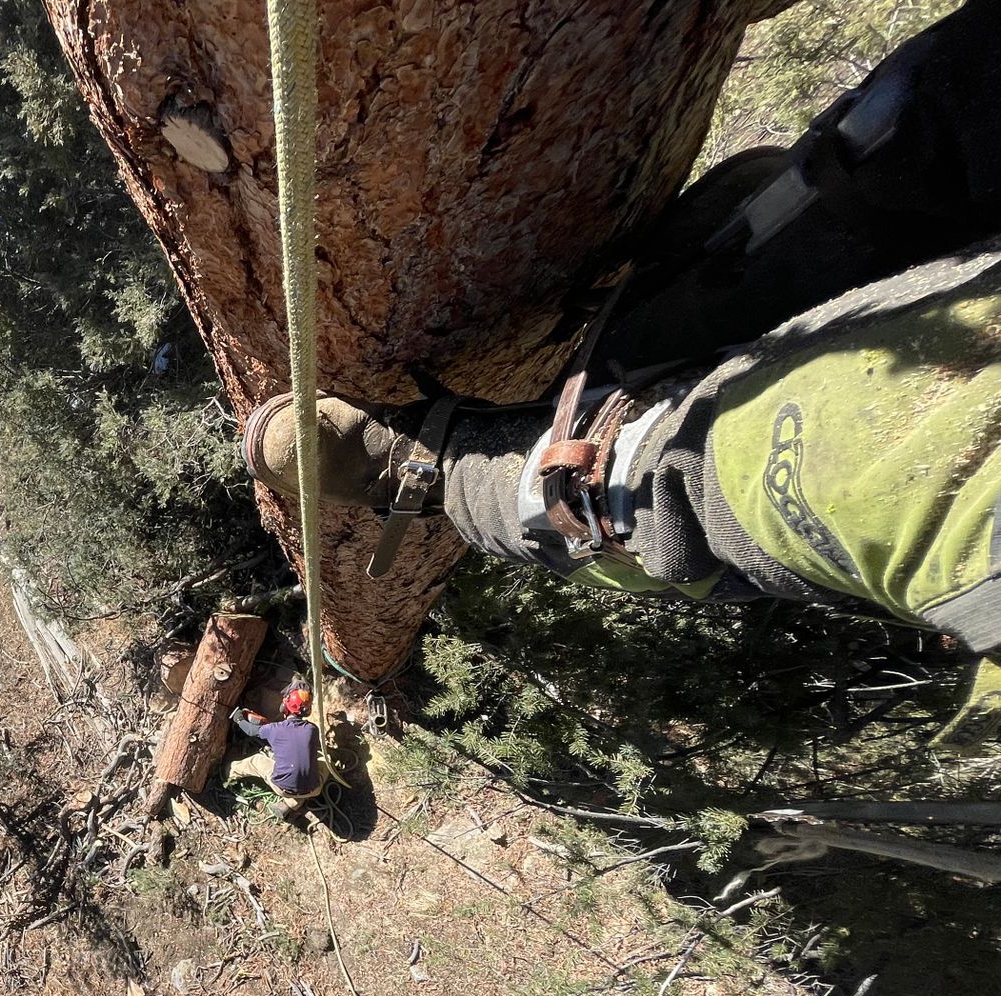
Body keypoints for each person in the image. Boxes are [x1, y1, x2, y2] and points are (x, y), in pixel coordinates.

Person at [242, 0, 1001, 748]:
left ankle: (475, 476)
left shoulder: (287, 740)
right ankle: (817, 220)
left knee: (708, 483)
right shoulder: (293, 736)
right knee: (914, 133)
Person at [228, 685, 322, 798]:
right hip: (314, 790)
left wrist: (238, 719)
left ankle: (228, 772)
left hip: (282, 789)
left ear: (284, 707)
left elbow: (251, 731)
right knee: (325, 761)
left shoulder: (274, 729)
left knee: (256, 760)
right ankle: (295, 802)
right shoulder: (312, 729)